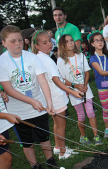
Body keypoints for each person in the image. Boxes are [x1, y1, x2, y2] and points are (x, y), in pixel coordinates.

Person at [0, 25, 57, 169]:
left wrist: (48, 102)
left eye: (20, 40)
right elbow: (9, 89)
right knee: (27, 142)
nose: (17, 44)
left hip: (39, 105)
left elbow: (42, 81)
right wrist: (31, 102)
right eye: (12, 41)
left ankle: (50, 160)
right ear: (3, 43)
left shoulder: (32, 57)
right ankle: (34, 166)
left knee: (44, 136)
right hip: (18, 111)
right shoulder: (1, 62)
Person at [32, 30, 83, 159]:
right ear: (37, 46)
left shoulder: (41, 57)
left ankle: (57, 147)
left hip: (51, 96)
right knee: (61, 125)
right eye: (44, 42)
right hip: (55, 97)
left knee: (56, 123)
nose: (49, 44)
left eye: (49, 40)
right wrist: (71, 91)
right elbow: (56, 79)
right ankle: (62, 152)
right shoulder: (46, 60)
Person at [57, 34, 102, 145]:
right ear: (62, 45)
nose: (71, 43)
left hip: (86, 89)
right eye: (67, 41)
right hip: (74, 91)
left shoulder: (80, 56)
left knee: (91, 112)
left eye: (71, 40)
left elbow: (87, 72)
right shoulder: (60, 61)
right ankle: (83, 136)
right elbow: (61, 79)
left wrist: (85, 84)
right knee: (81, 115)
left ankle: (96, 136)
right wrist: (74, 85)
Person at [0, 86, 24, 169]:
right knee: (6, 159)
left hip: (0, 125)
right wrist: (7, 115)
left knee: (6, 155)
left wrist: (0, 93)